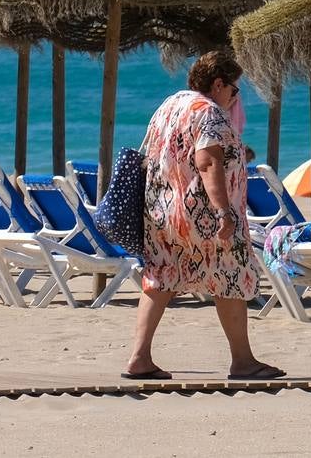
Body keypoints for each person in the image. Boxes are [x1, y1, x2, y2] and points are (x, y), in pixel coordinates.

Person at [125, 50, 282, 382]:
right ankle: (243, 361)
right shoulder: (208, 111)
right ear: (219, 83)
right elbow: (207, 162)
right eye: (234, 90)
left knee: (161, 275)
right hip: (202, 215)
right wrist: (223, 211)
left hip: (162, 210)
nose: (234, 98)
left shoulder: (170, 105)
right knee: (230, 275)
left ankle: (139, 357)